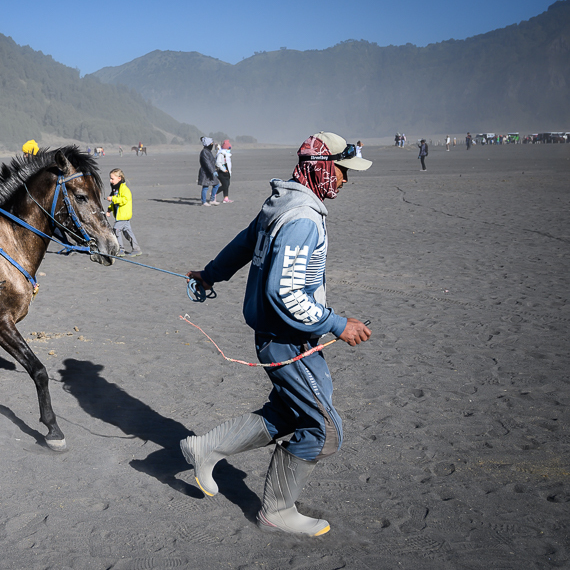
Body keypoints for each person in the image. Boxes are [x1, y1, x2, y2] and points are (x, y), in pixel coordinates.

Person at [180, 131, 372, 537]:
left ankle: (207, 447)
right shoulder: (302, 217)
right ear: (322, 167)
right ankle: (277, 511)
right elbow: (284, 293)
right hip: (286, 338)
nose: (345, 180)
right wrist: (339, 324)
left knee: (291, 412)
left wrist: (211, 274)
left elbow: (244, 242)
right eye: (342, 171)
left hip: (280, 333)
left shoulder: (282, 200)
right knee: (323, 428)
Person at [107, 168, 141, 257]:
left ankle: (120, 249)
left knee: (116, 230)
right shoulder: (116, 189)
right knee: (128, 233)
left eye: (112, 179)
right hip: (120, 216)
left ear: (119, 178)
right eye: (110, 179)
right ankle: (136, 249)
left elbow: (124, 200)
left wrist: (112, 198)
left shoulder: (124, 189)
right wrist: (109, 209)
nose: (110, 181)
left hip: (123, 215)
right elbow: (115, 203)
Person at [198, 137, 220, 206]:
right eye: (211, 143)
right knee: (205, 187)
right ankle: (204, 201)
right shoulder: (204, 152)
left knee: (216, 184)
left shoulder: (208, 151)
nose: (212, 145)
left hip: (210, 172)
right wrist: (213, 171)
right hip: (205, 172)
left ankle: (212, 200)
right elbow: (207, 163)